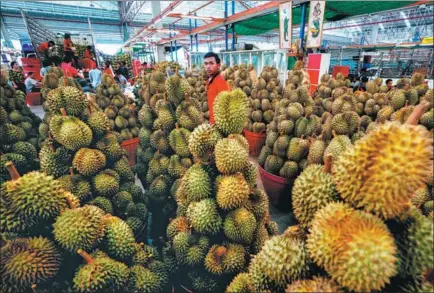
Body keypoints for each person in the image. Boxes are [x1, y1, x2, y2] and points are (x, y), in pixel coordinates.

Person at [204, 52, 229, 125]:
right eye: (206, 63)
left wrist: (217, 124)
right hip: (212, 121)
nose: (208, 66)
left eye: (211, 63)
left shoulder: (220, 82)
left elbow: (225, 107)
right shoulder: (209, 80)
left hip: (218, 123)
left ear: (218, 65)